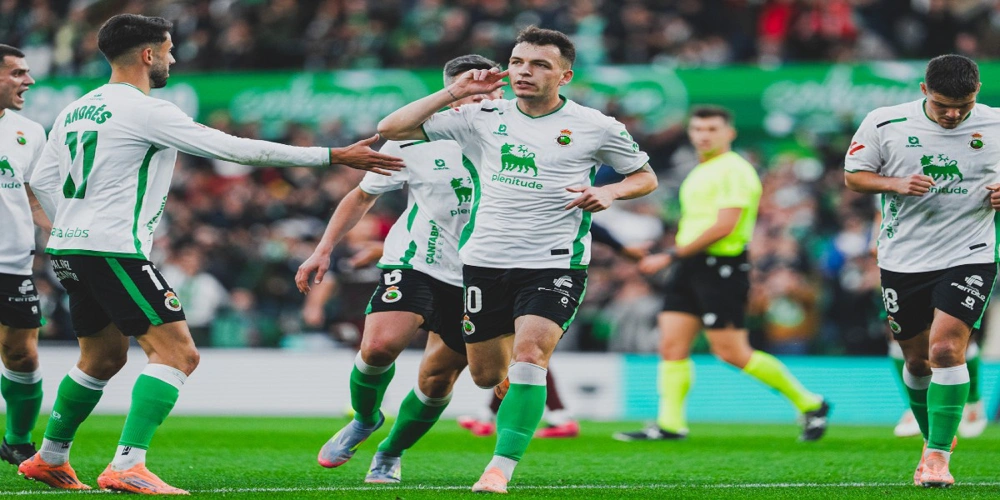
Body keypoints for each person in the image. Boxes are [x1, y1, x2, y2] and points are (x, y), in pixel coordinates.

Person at [19, 14, 402, 494]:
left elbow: (42, 181)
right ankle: (127, 464)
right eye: (168, 49)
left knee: (101, 357)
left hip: (71, 250)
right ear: (147, 55)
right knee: (178, 353)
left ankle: (50, 457)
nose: (174, 58)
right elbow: (235, 150)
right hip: (112, 249)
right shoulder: (146, 110)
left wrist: (72, 224)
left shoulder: (75, 110)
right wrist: (332, 155)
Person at [378, 26, 658, 493]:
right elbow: (390, 129)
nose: (524, 72)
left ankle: (498, 470)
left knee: (530, 357)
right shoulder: (483, 116)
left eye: (540, 64)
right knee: (487, 375)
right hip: (484, 263)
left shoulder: (596, 126)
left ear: (564, 76)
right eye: (517, 62)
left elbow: (644, 177)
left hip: (555, 263)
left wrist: (610, 191)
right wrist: (454, 92)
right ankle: (396, 444)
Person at [295, 54, 505, 484]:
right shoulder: (413, 138)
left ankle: (390, 452)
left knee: (437, 378)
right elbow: (362, 195)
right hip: (417, 261)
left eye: (492, 93)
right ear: (451, 97)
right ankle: (364, 418)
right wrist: (323, 249)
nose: (484, 101)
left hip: (481, 275)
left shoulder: (518, 139)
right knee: (378, 347)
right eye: (473, 93)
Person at [612, 106, 828, 443]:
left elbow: (725, 225)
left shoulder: (735, 170)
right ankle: (670, 424)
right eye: (698, 129)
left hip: (721, 267)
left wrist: (670, 255)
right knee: (671, 345)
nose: (704, 135)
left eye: (712, 129)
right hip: (690, 265)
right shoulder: (701, 170)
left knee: (731, 351)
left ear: (730, 133)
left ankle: (810, 403)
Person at [844, 54, 999, 488]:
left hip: (970, 253)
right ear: (924, 90)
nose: (953, 115)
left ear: (977, 93)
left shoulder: (996, 124)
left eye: (964, 106)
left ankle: (937, 458)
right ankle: (934, 437)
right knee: (916, 360)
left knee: (946, 349)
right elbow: (854, 176)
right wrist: (894, 183)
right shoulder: (884, 123)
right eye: (944, 105)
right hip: (903, 257)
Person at [457, 221, 647, 439]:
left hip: (547, 278)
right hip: (516, 274)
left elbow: (585, 221)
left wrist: (621, 248)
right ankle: (508, 414)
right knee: (525, 353)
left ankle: (549, 415)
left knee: (526, 352)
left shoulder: (547, 207)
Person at [0, 44, 51, 467]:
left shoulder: (30, 131)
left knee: (22, 354)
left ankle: (16, 441)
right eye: (18, 73)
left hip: (13, 264)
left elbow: (34, 196)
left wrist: (62, 232)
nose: (28, 81)